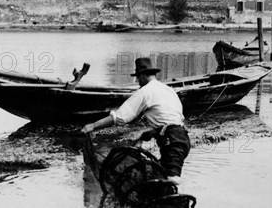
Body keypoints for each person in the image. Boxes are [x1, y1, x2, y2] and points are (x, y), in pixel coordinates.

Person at [81, 57, 191, 185]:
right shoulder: (169, 90)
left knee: (172, 180)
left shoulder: (145, 91)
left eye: (138, 77)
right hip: (182, 139)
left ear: (144, 75)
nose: (137, 81)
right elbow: (171, 120)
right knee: (163, 176)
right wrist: (147, 134)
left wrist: (93, 125)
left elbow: (120, 117)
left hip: (171, 141)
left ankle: (173, 201)